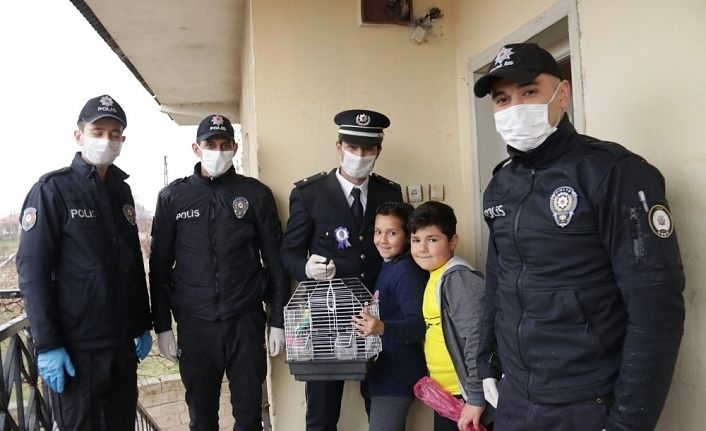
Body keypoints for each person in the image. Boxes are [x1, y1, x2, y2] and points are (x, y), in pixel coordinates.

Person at [473, 43, 685, 431]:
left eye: (529, 92)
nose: (514, 107)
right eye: (502, 99)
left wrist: (629, 422)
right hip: (515, 396)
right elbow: (499, 284)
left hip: (585, 400)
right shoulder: (501, 184)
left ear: (562, 94)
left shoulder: (614, 172)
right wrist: (486, 363)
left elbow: (656, 306)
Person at [16, 94, 152, 430]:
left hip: (121, 348)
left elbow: (132, 264)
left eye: (114, 133)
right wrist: (47, 344)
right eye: (98, 131)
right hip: (77, 351)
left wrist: (142, 322)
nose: (106, 139)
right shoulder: (52, 190)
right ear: (79, 136)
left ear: (122, 139)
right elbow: (32, 271)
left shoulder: (121, 191)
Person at [149, 114, 290, 430]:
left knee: (249, 416)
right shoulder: (173, 197)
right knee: (201, 418)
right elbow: (158, 268)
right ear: (196, 148)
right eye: (210, 144)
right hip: (195, 325)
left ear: (235, 148)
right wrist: (162, 327)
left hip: (245, 321)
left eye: (225, 145)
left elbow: (276, 262)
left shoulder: (256, 194)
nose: (218, 151)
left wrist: (279, 320)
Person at [280, 109, 403, 431]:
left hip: (377, 314)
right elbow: (288, 253)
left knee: (381, 410)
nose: (360, 156)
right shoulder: (309, 194)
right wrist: (306, 269)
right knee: (321, 416)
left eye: (368, 149)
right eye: (352, 147)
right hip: (325, 315)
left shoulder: (389, 193)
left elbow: (399, 249)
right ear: (339, 146)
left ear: (378, 150)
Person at [408, 201, 491, 431]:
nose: (422, 248)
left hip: (466, 395)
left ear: (453, 241)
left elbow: (477, 337)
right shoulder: (435, 275)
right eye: (416, 240)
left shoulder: (457, 278)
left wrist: (476, 397)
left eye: (432, 240)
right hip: (448, 394)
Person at [351, 201, 427, 431]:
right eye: (377, 232)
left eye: (391, 233)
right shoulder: (388, 266)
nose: (382, 240)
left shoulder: (405, 272)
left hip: (396, 377)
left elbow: (418, 326)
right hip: (381, 373)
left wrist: (382, 327)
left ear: (406, 237)